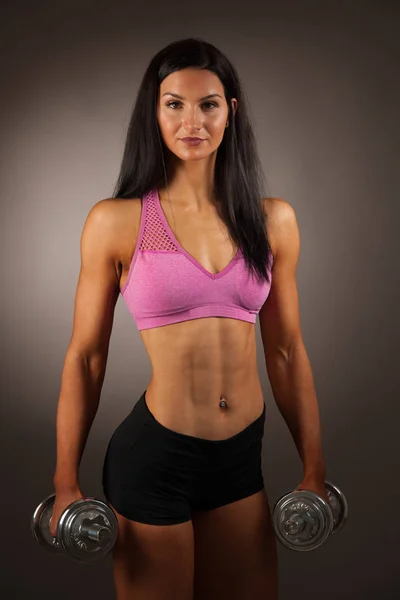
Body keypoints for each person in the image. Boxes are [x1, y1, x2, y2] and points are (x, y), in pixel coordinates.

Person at [50, 37, 328, 600]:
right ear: (153, 114)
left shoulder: (272, 221)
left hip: (239, 459)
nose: (191, 120)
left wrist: (314, 470)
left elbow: (287, 351)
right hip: (155, 457)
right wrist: (63, 482)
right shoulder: (117, 221)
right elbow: (86, 357)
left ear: (232, 111)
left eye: (209, 104)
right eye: (173, 103)